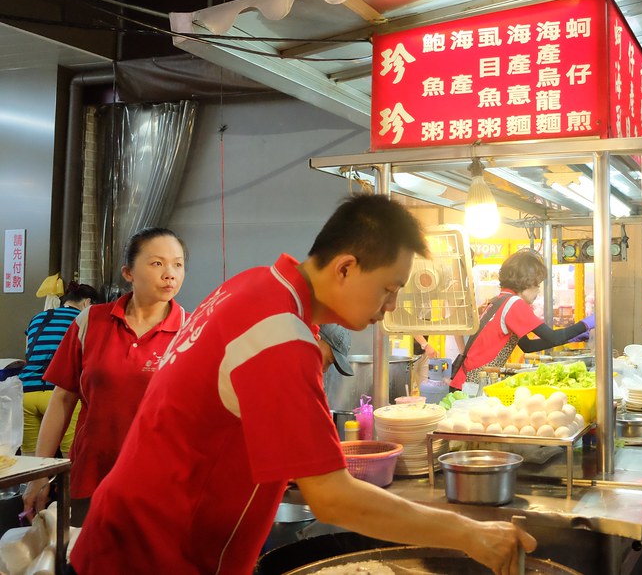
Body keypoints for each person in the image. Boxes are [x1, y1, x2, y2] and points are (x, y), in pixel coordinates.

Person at [67, 195, 534, 575]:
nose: (390, 306)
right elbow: (332, 498)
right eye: (389, 289)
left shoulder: (254, 285)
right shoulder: (278, 332)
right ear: (345, 268)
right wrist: (471, 534)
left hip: (131, 538)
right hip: (150, 555)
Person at [22, 228, 188, 526]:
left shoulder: (191, 331)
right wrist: (40, 473)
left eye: (178, 264)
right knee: (83, 549)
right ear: (128, 272)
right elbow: (62, 399)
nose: (170, 274)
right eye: (157, 263)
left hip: (160, 481)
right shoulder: (91, 321)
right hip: (91, 476)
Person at [450, 248, 593, 392]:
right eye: (537, 285)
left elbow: (527, 346)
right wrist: (587, 324)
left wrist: (570, 338)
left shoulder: (501, 300)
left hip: (462, 382)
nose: (538, 291)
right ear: (526, 283)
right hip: (472, 385)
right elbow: (553, 337)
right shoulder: (514, 304)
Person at [20, 283, 101, 455]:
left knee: (31, 459)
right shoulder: (83, 320)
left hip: (26, 392)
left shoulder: (37, 318)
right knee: (68, 457)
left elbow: (28, 354)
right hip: (57, 394)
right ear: (87, 303)